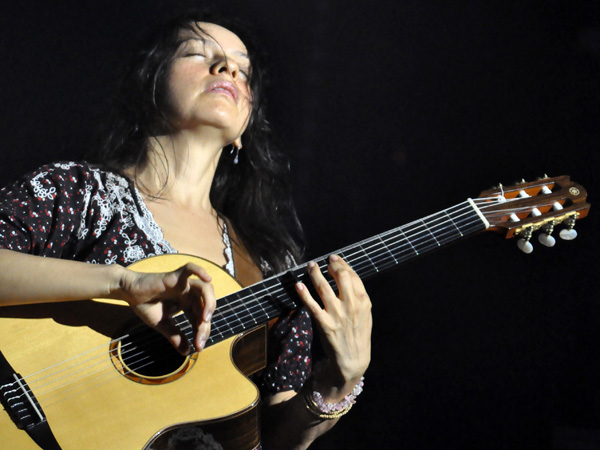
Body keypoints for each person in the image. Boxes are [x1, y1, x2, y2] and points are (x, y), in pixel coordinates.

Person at [0, 9, 372, 449]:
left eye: (243, 68)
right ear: (150, 85)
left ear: (244, 129)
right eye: (198, 53)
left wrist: (335, 383)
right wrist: (123, 282)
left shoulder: (271, 268)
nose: (228, 68)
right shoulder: (76, 192)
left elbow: (270, 440)